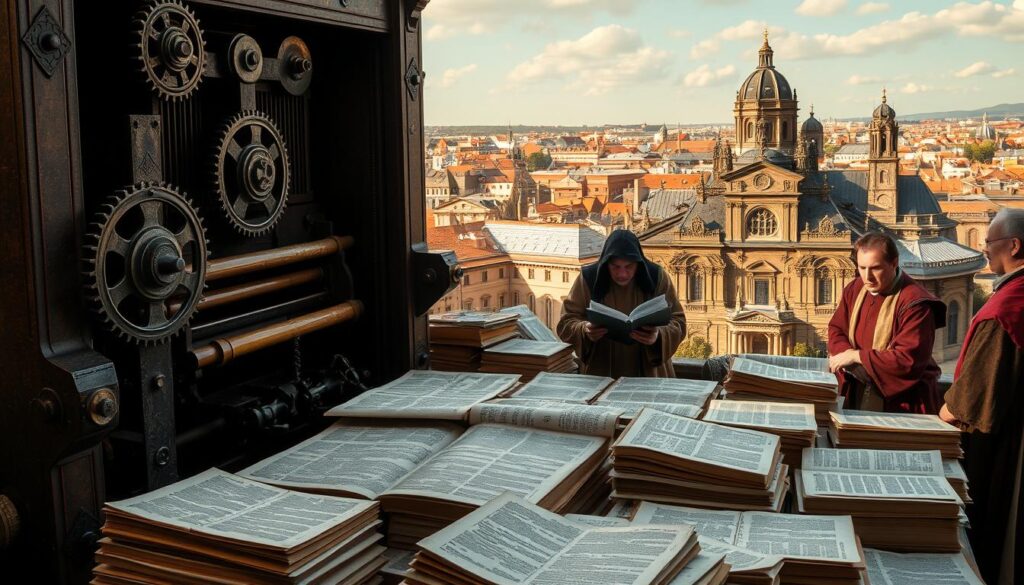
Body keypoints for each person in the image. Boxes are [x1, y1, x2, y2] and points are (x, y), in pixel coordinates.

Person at [939, 208, 1024, 585]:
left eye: (989, 242)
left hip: (999, 450)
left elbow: (970, 400)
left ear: (1014, 246)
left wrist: (942, 410)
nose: (984, 249)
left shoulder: (1006, 308)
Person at [826, 231, 945, 413]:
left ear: (894, 263)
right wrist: (848, 355)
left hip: (903, 403)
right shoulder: (855, 288)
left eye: (875, 268)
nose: (868, 277)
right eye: (862, 268)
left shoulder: (916, 303)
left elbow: (907, 359)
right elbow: (836, 328)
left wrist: (857, 357)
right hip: (856, 392)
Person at [557, 229, 686, 378]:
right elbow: (566, 322)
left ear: (638, 264)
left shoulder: (656, 277)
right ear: (606, 264)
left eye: (629, 266)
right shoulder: (588, 279)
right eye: (615, 266)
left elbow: (679, 322)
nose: (622, 274)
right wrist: (584, 330)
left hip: (650, 373)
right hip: (600, 371)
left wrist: (658, 336)